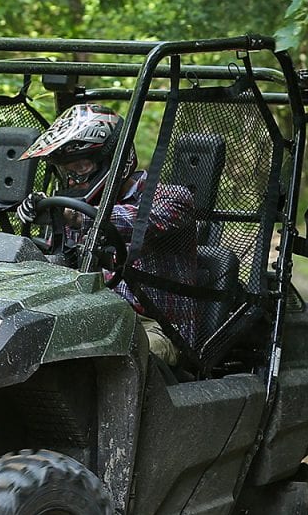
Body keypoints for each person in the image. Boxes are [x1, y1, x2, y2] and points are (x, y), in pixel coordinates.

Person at [16, 103, 196, 365]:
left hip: (155, 327)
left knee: (111, 359)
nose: (74, 179)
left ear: (112, 159)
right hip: (91, 317)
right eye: (68, 171)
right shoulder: (75, 206)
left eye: (82, 166)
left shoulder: (172, 198)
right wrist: (43, 213)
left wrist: (74, 216)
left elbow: (137, 221)